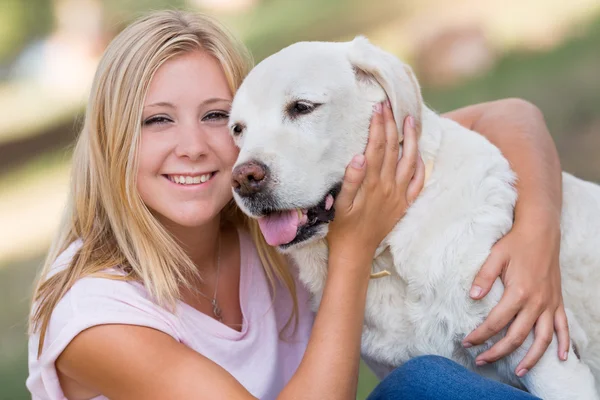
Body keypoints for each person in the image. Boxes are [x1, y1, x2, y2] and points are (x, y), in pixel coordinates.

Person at [27, 10, 567, 400]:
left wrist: (536, 237)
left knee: (427, 382)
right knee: (420, 385)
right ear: (111, 141)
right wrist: (352, 252)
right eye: (157, 120)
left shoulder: (271, 216)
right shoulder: (94, 318)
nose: (193, 146)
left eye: (219, 117)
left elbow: (507, 114)